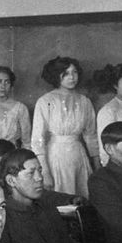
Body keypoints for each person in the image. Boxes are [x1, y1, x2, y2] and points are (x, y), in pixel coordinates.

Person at [31, 56, 99, 198]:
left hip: (78, 155)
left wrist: (97, 166)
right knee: (60, 198)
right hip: (55, 157)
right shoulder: (46, 101)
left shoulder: (84, 102)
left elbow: (91, 136)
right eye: (66, 73)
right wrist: (45, 172)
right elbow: (38, 139)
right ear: (57, 76)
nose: (72, 77)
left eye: (74, 72)